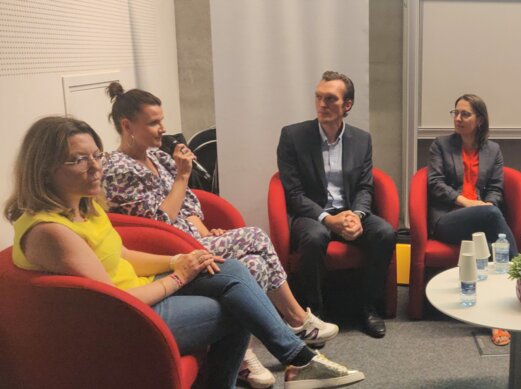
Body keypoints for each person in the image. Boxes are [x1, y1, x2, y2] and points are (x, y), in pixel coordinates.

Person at [5, 116, 364, 389]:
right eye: (77, 160)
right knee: (237, 306)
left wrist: (177, 260)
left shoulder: (82, 205)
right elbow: (116, 300)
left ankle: (297, 357)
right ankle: (296, 356)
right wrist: (180, 275)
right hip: (126, 320)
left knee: (236, 270)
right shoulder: (51, 231)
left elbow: (122, 254)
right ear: (44, 169)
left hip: (140, 294)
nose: (96, 167)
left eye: (96, 155)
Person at [99, 82, 338, 389]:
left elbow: (188, 207)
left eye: (162, 120)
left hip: (192, 237)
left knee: (255, 265)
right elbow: (157, 221)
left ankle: (244, 357)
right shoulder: (118, 167)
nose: (163, 128)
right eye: (153, 122)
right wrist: (183, 175)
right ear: (127, 125)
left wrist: (206, 229)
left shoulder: (157, 157)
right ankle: (296, 321)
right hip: (172, 248)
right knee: (254, 236)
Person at [277, 71, 396, 339]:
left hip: (349, 210)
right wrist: (328, 219)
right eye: (318, 98)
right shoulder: (293, 136)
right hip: (312, 213)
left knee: (385, 232)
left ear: (347, 105)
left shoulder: (361, 139)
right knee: (315, 237)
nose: (322, 104)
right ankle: (314, 314)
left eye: (330, 99)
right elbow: (293, 193)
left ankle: (368, 307)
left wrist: (355, 215)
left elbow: (366, 186)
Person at [427, 94, 518, 346]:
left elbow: (496, 189)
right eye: (455, 113)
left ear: (479, 119)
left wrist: (487, 205)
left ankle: (497, 312)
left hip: (482, 218)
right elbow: (435, 185)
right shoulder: (440, 145)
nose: (458, 118)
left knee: (490, 214)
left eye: (465, 114)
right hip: (447, 220)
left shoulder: (493, 150)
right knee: (490, 215)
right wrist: (469, 203)